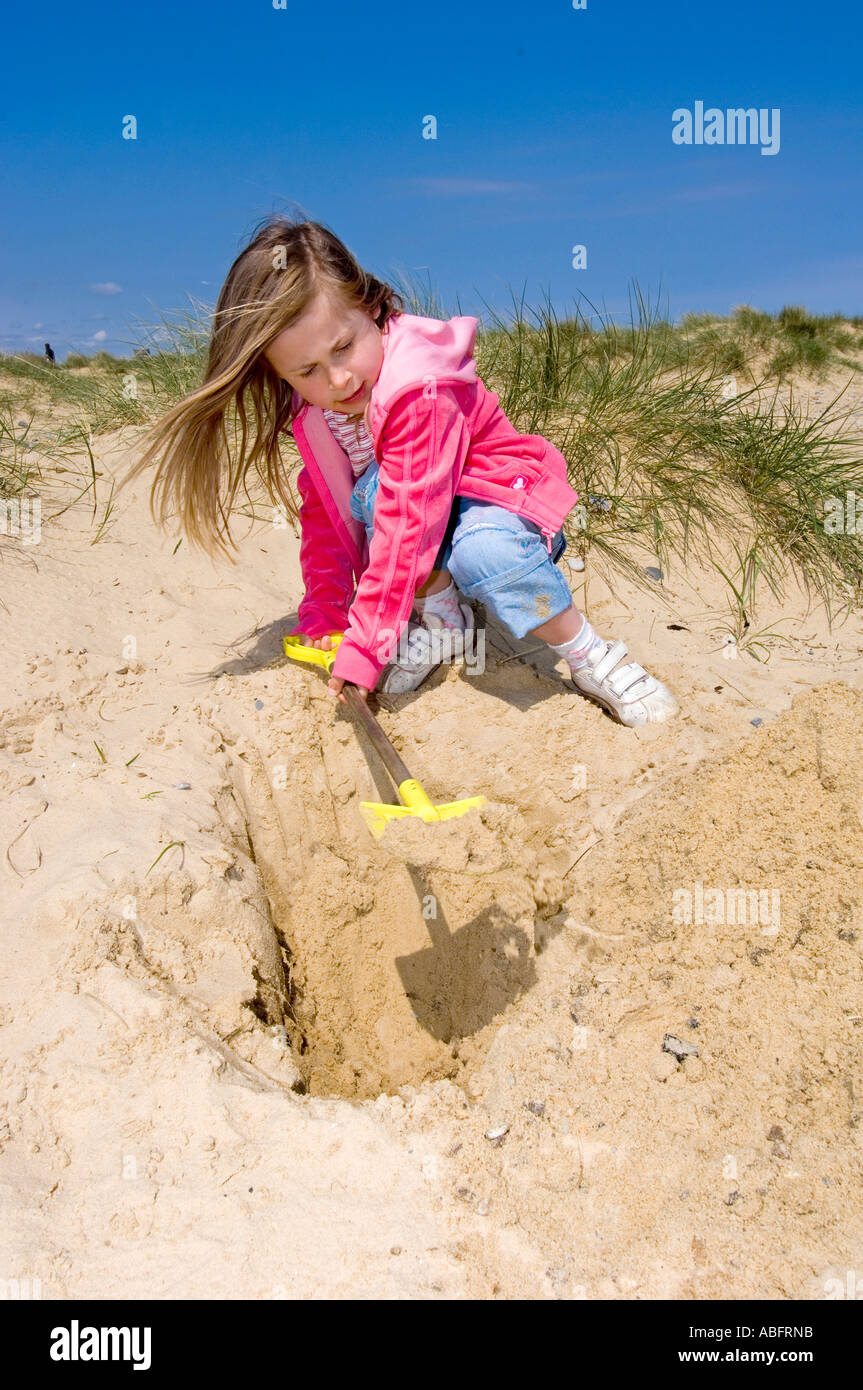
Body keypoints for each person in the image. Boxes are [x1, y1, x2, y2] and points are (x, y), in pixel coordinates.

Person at [127, 217, 678, 726]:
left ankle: (588, 654)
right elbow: (327, 513)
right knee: (364, 498)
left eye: (344, 347)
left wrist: (367, 647)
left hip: (500, 501)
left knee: (480, 551)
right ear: (280, 376)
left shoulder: (419, 390)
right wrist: (324, 612)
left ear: (371, 307)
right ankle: (446, 620)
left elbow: (408, 525)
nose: (339, 379)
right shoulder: (316, 412)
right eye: (308, 371)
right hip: (424, 511)